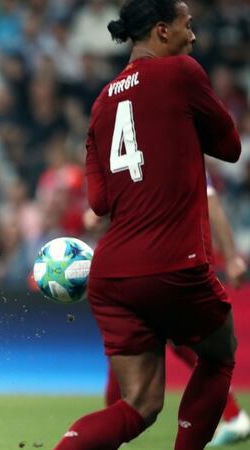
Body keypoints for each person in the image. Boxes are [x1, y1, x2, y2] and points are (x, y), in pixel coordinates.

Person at [55, 1, 242, 449]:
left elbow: (99, 203)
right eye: (187, 25)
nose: (193, 36)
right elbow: (231, 147)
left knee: (138, 404)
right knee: (218, 356)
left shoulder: (101, 103)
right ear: (162, 31)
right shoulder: (182, 73)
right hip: (174, 264)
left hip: (112, 272)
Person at [94, 173, 249, 446]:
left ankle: (233, 415)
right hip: (167, 263)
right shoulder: (164, 153)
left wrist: (233, 256)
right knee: (175, 344)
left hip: (176, 264)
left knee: (140, 344)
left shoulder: (178, 152)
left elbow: (211, 202)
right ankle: (233, 414)